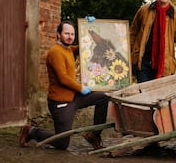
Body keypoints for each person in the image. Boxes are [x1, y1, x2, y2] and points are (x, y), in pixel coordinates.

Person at [19, 20, 109, 150]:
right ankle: (31, 131)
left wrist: (89, 28)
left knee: (103, 97)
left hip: (75, 97)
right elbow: (63, 78)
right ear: (58, 34)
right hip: (60, 102)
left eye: (72, 34)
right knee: (62, 144)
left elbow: (86, 47)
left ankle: (94, 135)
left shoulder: (68, 49)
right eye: (66, 33)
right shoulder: (56, 52)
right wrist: (80, 88)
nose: (70, 36)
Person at [130, 0, 176, 83]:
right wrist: (128, 54)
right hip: (144, 62)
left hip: (164, 64)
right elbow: (132, 33)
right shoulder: (144, 10)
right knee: (143, 96)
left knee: (159, 96)